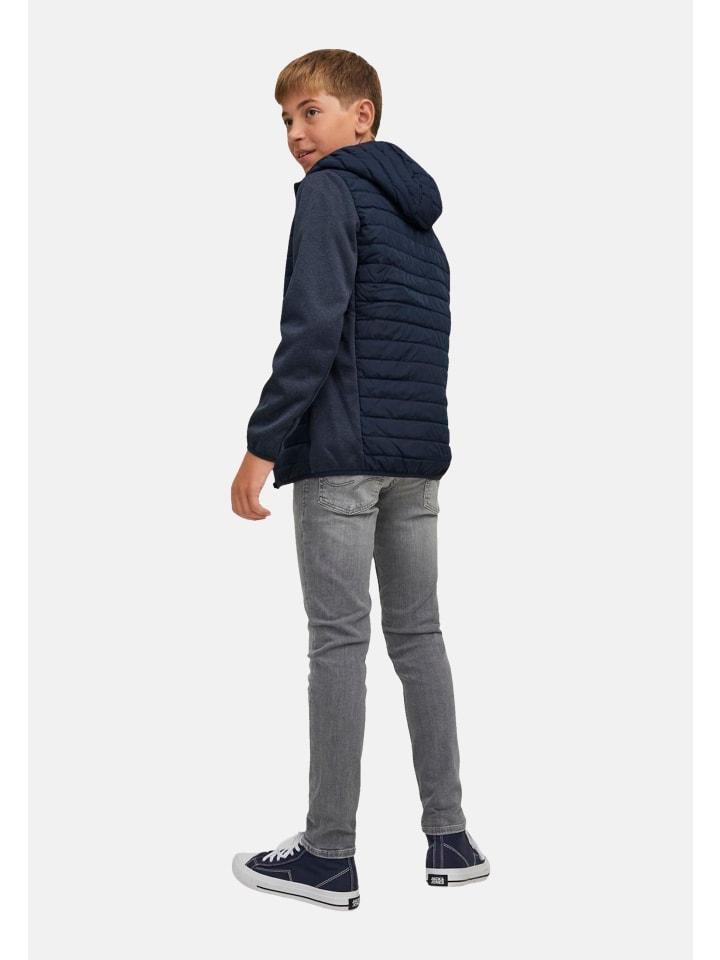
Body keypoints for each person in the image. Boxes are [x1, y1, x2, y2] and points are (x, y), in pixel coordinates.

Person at [230, 48, 490, 910]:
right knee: (420, 639)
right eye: (286, 120)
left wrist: (262, 445)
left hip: (341, 458)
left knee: (338, 645)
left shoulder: (330, 193)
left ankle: (328, 854)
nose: (296, 134)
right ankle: (450, 837)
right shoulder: (418, 220)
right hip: (415, 463)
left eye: (311, 112)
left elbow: (310, 329)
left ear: (361, 115)